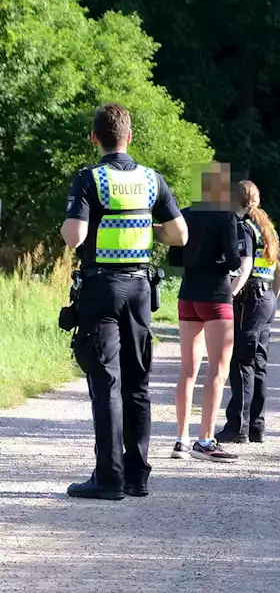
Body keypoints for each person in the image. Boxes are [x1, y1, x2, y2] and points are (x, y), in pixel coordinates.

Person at [60, 103, 189, 500]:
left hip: (101, 290)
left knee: (106, 382)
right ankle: (138, 477)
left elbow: (74, 237)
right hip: (139, 290)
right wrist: (145, 229)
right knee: (137, 384)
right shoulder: (152, 180)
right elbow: (180, 234)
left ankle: (108, 478)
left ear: (94, 138)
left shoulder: (89, 179)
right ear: (129, 137)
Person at [169, 162, 251, 462]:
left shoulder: (186, 215)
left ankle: (181, 439)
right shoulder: (226, 216)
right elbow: (232, 259)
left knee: (188, 369)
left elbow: (175, 256)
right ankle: (205, 440)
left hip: (187, 293)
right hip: (216, 296)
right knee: (218, 369)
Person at [216, 180, 280, 444]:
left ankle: (237, 427)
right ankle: (257, 426)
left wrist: (230, 295)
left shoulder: (244, 228)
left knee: (241, 361)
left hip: (250, 296)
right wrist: (271, 298)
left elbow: (243, 269)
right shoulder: (269, 231)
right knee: (259, 364)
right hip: (266, 296)